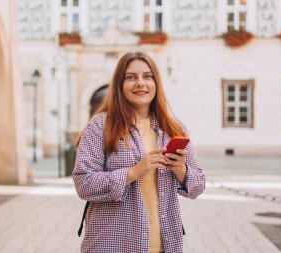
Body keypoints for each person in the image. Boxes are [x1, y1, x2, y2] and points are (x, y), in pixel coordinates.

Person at [73, 52, 205, 253]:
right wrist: (135, 171)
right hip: (113, 245)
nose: (140, 83)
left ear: (156, 83)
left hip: (165, 245)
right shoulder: (100, 126)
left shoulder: (173, 129)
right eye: (131, 77)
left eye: (147, 76)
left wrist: (181, 169)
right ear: (119, 84)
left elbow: (198, 186)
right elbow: (83, 184)